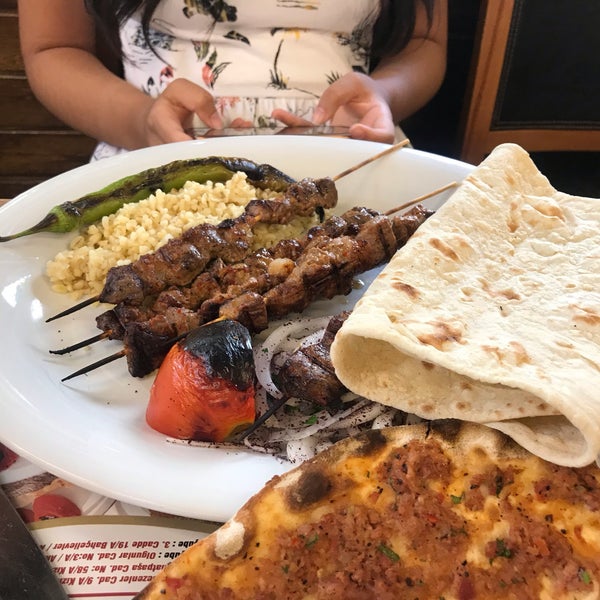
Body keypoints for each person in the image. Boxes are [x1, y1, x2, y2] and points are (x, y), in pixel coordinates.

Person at [17, 0, 447, 160]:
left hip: (356, 153)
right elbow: (55, 47)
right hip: (154, 152)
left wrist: (383, 95)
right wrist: (143, 122)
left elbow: (424, 42)